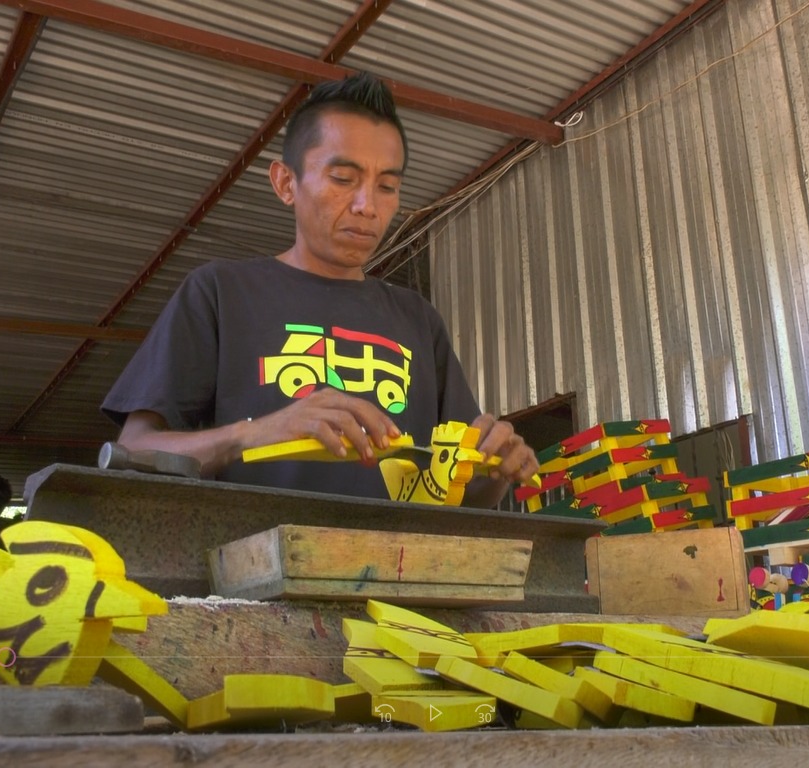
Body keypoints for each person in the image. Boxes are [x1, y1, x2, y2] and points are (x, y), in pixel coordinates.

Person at [101, 71, 538, 506]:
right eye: (344, 179)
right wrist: (254, 433)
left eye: (387, 186)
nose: (368, 206)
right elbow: (133, 452)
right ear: (285, 183)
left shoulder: (418, 319)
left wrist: (495, 468)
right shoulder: (221, 293)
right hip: (257, 569)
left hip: (401, 570)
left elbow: (461, 498)